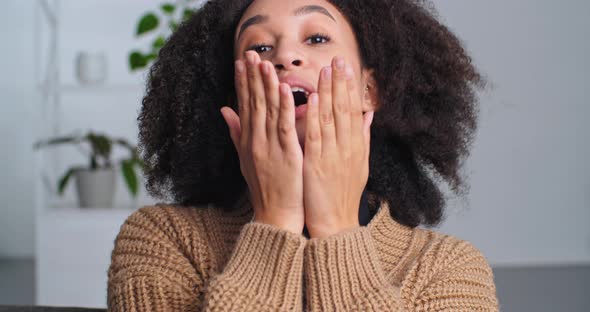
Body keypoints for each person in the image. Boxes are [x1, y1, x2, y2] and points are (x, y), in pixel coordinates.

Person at [107, 0, 499, 310]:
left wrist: (336, 228)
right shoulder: (164, 240)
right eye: (260, 46)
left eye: (316, 38)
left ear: (370, 90)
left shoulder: (448, 269)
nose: (285, 57)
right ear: (236, 100)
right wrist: (275, 221)